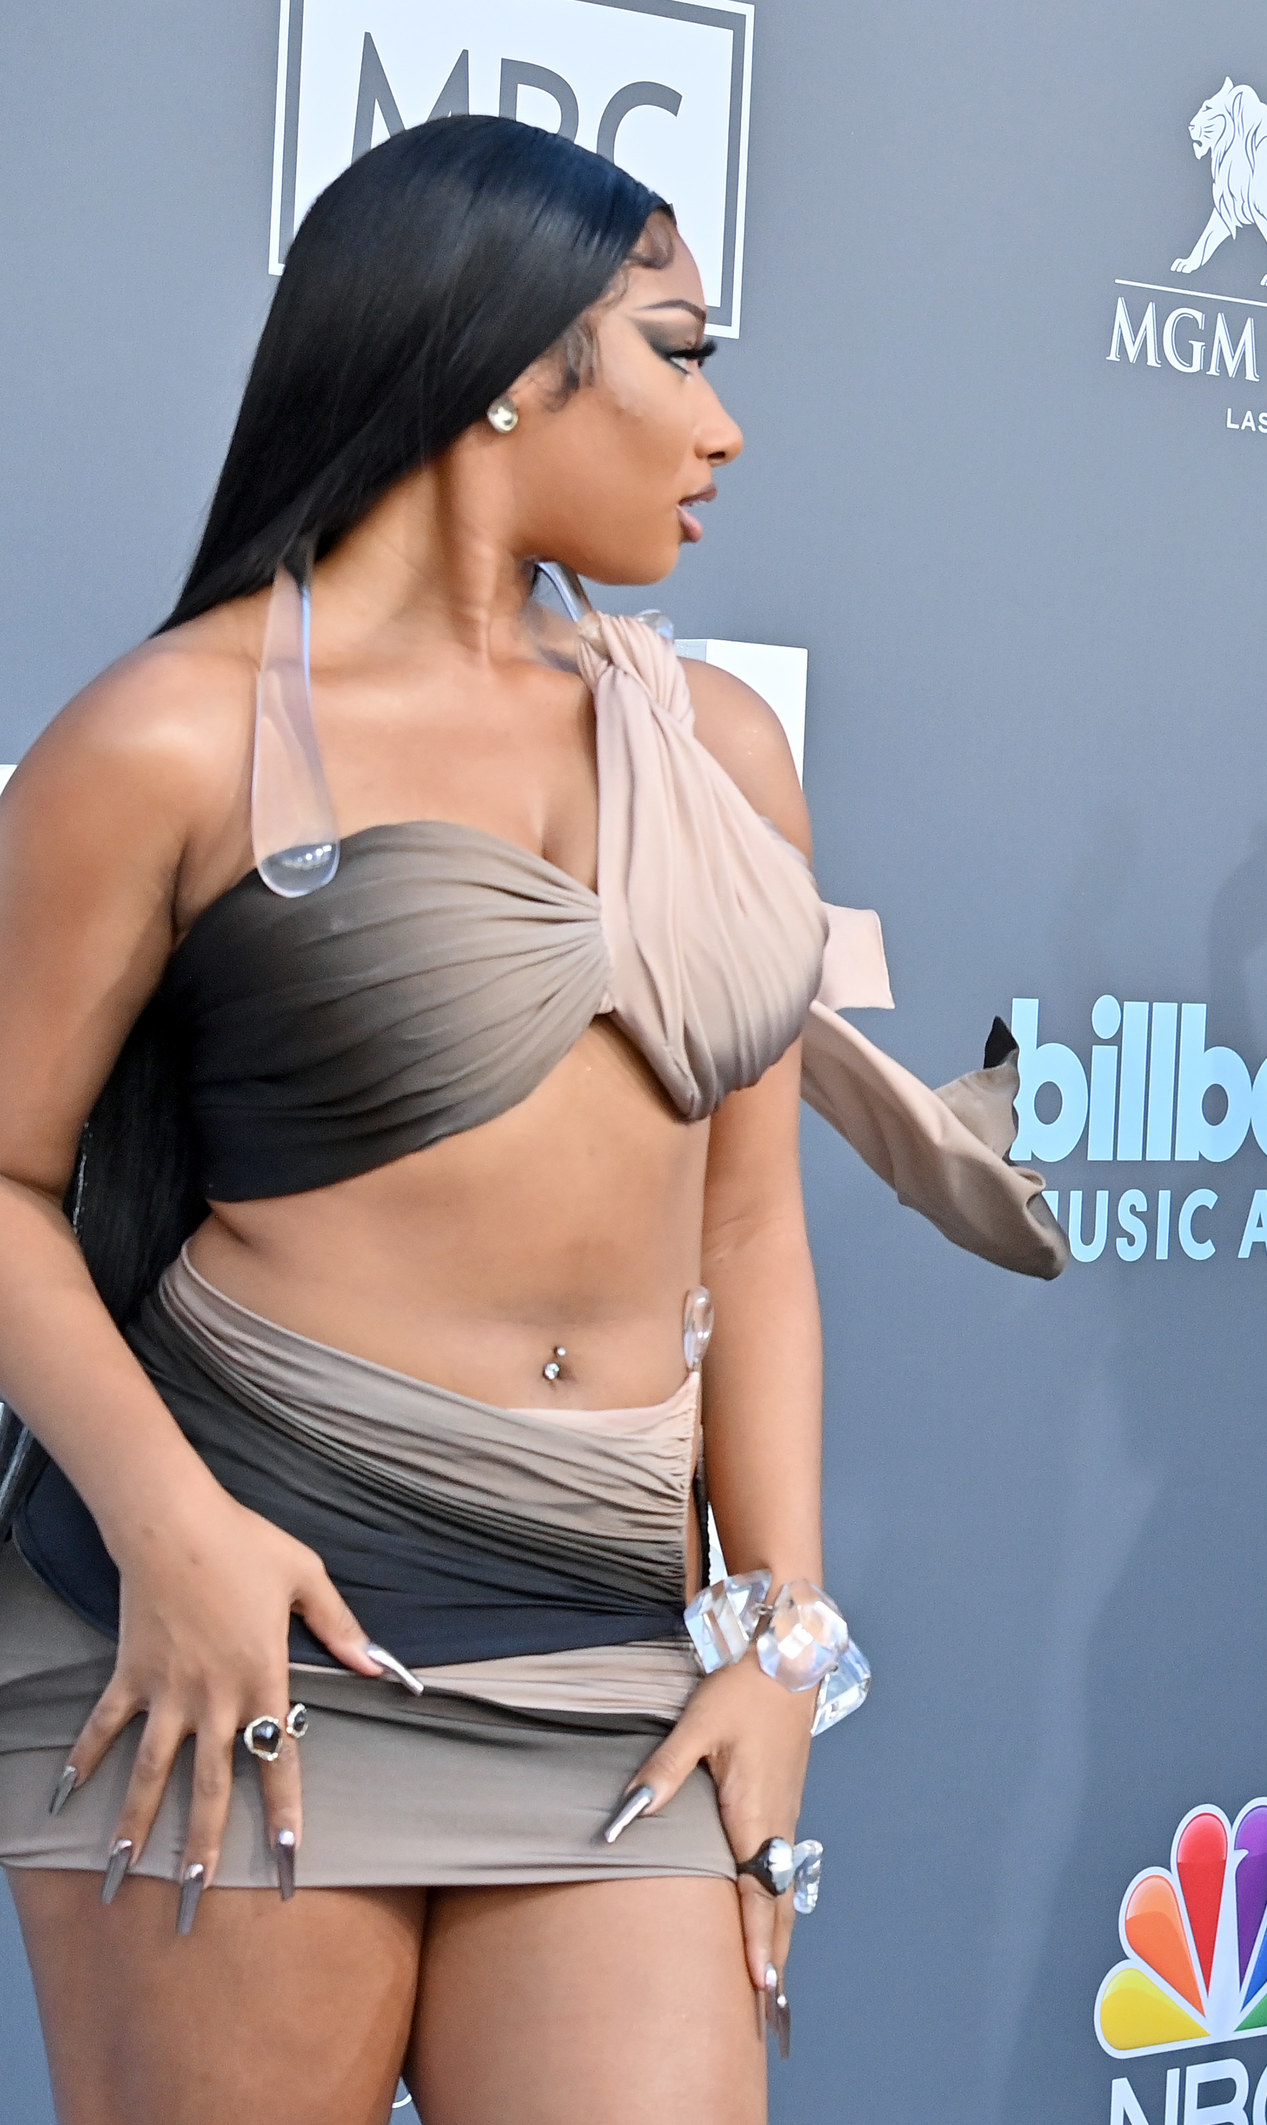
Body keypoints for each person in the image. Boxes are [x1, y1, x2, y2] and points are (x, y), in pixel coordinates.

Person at [0, 118, 1061, 2122]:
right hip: (250, 1628)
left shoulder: (724, 743)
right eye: (679, 348)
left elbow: (749, 1234)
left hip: (612, 1650)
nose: (723, 426)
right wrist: (175, 1531)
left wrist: (784, 1636)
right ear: (503, 361)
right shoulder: (170, 732)